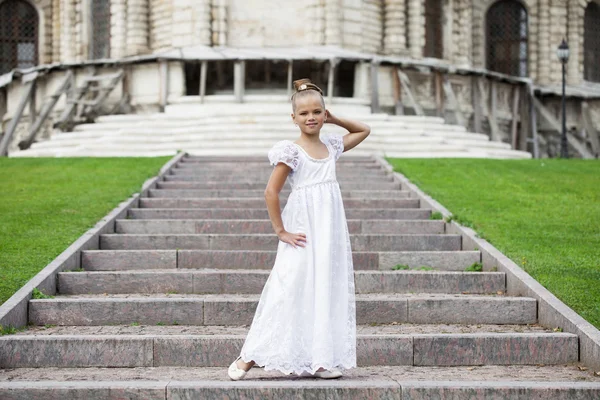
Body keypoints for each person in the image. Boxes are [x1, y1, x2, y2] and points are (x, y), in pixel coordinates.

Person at [227, 78, 371, 380]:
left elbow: (363, 130)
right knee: (289, 286)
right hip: (302, 231)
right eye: (304, 113)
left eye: (317, 112)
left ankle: (319, 360)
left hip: (327, 231)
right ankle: (248, 356)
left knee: (322, 288)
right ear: (293, 118)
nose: (311, 118)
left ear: (324, 114)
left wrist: (334, 118)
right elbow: (271, 192)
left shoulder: (331, 146)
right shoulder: (291, 152)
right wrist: (281, 231)